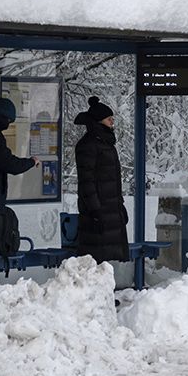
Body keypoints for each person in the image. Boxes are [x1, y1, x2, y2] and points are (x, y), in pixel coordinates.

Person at [0, 97, 38, 275]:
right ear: (0, 117)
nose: (9, 125)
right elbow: (6, 162)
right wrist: (30, 162)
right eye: (8, 121)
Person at [71, 97, 127, 266]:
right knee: (97, 258)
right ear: (99, 121)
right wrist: (95, 210)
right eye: (109, 119)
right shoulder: (90, 145)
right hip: (99, 211)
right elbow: (87, 181)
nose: (112, 122)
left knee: (108, 258)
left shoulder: (105, 144)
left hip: (109, 209)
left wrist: (119, 204)